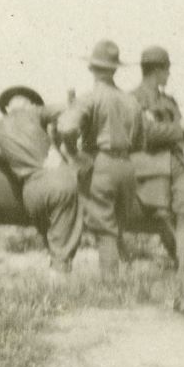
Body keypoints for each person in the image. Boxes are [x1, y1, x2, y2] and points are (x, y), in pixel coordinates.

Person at [57, 40, 145, 282]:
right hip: (126, 167)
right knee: (117, 225)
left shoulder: (90, 99)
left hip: (101, 166)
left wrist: (75, 155)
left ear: (91, 69)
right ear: (115, 69)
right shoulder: (131, 102)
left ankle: (110, 288)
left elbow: (66, 127)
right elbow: (139, 143)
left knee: (105, 229)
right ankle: (120, 280)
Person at [0, 85, 82, 273]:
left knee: (52, 241)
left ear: (8, 108)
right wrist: (66, 144)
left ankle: (52, 287)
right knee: (63, 245)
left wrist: (8, 155)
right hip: (57, 180)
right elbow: (71, 110)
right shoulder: (35, 112)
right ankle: (61, 294)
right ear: (30, 104)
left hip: (30, 192)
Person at [131, 45, 184, 274]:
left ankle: (183, 270)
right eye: (166, 69)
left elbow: (180, 131)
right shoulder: (134, 100)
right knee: (162, 216)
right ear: (156, 70)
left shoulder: (169, 101)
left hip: (175, 162)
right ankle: (179, 262)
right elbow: (146, 133)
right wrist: (178, 129)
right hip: (149, 165)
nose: (169, 74)